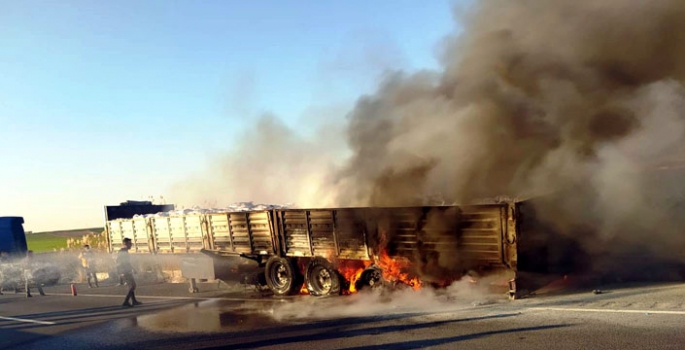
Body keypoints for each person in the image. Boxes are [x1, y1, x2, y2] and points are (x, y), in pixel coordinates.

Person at [117, 238, 141, 307]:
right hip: (124, 271)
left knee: (132, 285)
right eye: (130, 244)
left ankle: (134, 301)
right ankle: (126, 301)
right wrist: (121, 272)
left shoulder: (125, 251)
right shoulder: (122, 252)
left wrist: (133, 269)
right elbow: (120, 262)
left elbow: (127, 262)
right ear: (125, 244)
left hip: (126, 270)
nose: (131, 245)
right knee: (132, 286)